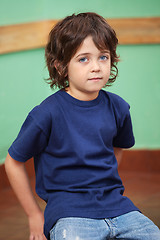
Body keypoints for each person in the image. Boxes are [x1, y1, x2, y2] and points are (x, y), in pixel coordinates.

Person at [5, 12, 160, 240]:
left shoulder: (118, 108)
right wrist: (33, 215)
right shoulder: (46, 114)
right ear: (60, 66)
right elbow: (13, 162)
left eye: (103, 57)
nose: (96, 67)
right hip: (69, 213)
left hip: (118, 207)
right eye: (83, 59)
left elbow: (117, 149)